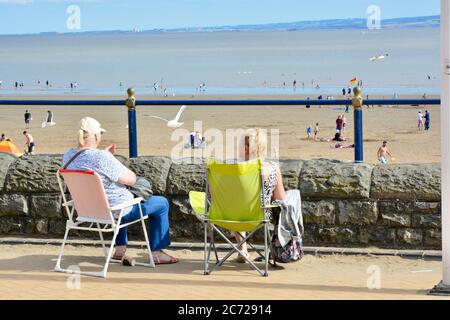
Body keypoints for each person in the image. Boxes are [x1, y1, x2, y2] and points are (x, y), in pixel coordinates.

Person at [61, 117, 178, 264]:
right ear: (97, 136)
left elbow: (90, 166)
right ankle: (156, 253)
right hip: (116, 212)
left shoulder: (68, 157)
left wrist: (107, 157)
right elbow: (131, 179)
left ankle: (120, 248)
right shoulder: (101, 157)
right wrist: (110, 159)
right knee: (161, 203)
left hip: (88, 211)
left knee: (118, 195)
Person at [232, 128, 287, 263]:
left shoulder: (232, 169)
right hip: (260, 216)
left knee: (237, 206)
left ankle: (243, 249)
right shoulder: (273, 168)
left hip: (230, 216)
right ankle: (273, 250)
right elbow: (281, 199)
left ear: (246, 149)